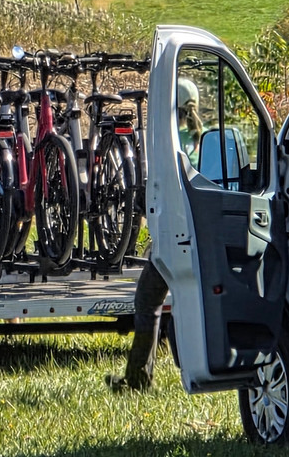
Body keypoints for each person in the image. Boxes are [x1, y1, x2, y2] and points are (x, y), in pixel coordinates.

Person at [107, 77, 201, 392]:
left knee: (147, 304)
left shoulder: (172, 142)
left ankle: (138, 379)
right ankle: (184, 371)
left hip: (172, 240)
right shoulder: (196, 140)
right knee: (181, 306)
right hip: (195, 238)